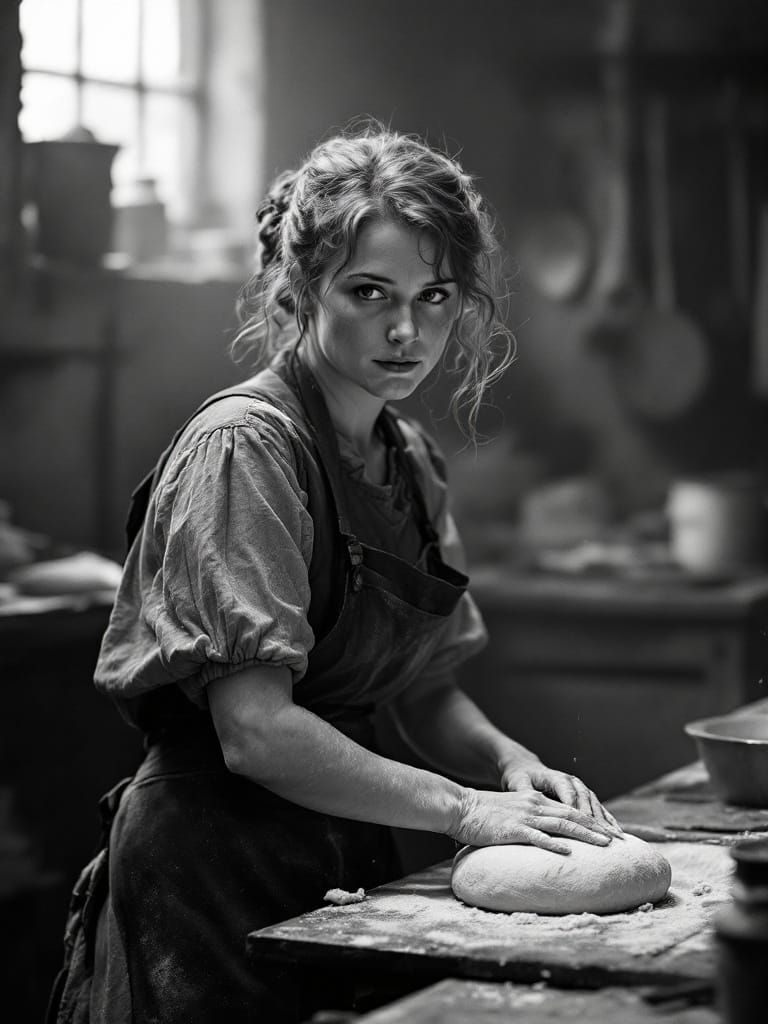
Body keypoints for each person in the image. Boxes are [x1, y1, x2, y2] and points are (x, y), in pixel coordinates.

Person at [49, 123, 621, 1024]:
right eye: (369, 292)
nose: (407, 330)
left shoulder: (411, 461)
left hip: (342, 855)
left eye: (434, 296)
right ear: (301, 288)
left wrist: (510, 766)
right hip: (212, 869)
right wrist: (466, 812)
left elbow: (425, 689)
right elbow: (257, 732)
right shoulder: (246, 449)